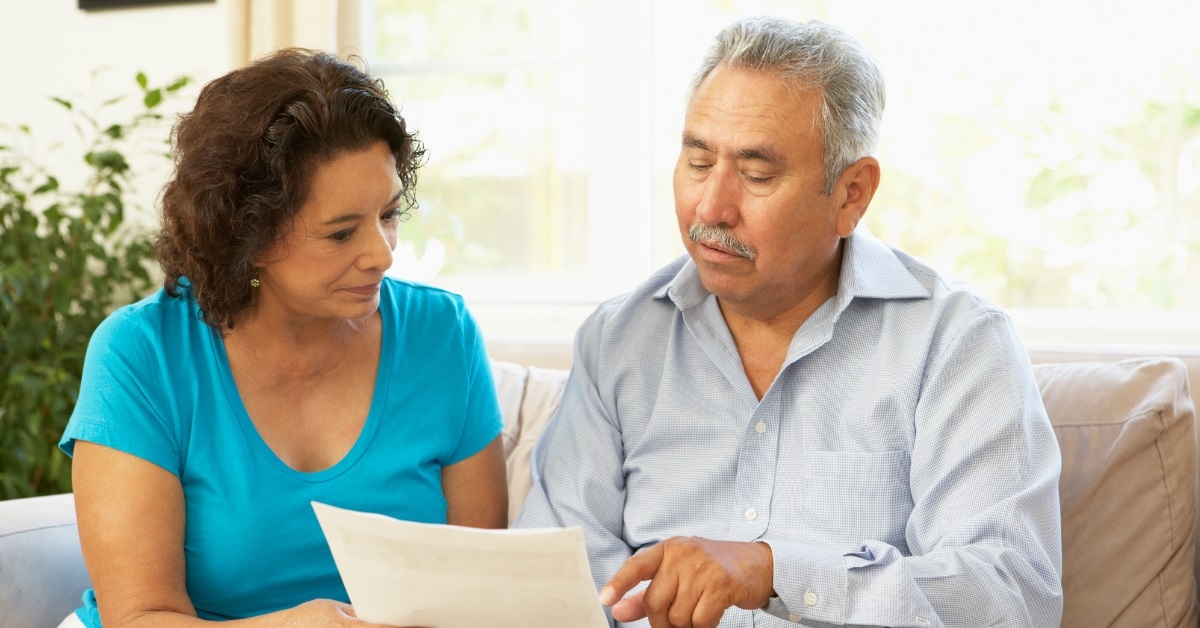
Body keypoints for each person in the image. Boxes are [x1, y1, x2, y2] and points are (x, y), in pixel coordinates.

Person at [514, 16, 1063, 628]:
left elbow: (1011, 596)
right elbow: (547, 580)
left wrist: (776, 571)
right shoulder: (617, 340)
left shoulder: (956, 344)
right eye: (697, 162)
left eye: (756, 175)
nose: (711, 208)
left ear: (852, 192)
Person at [57, 48, 508, 628]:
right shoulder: (142, 354)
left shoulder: (442, 334)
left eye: (390, 214)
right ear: (250, 234)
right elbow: (140, 615)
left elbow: (479, 588)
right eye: (342, 233)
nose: (383, 254)